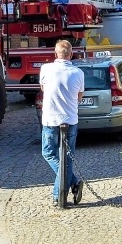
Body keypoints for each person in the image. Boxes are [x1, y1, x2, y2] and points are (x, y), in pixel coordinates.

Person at [39, 39, 85, 206]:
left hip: (50, 119)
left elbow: (43, 89)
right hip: (70, 119)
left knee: (49, 153)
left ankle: (59, 195)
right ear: (71, 54)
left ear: (55, 54)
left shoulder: (45, 69)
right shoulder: (78, 73)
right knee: (67, 157)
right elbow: (79, 96)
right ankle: (72, 181)